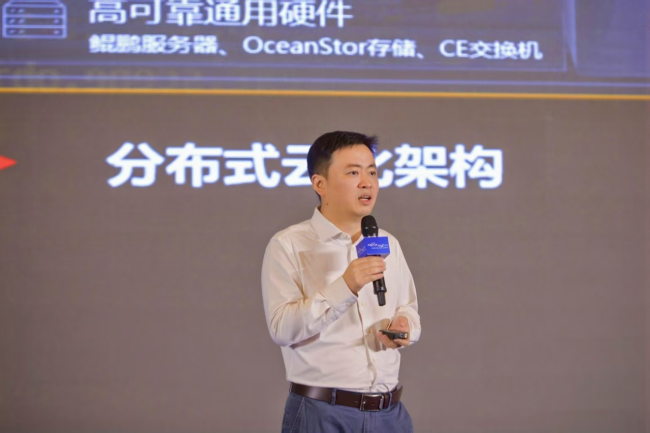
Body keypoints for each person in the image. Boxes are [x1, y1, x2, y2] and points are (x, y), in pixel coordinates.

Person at [261, 131, 421, 432]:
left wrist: (405, 326)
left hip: (390, 415)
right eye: (353, 173)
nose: (367, 183)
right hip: (322, 413)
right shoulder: (289, 244)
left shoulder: (388, 242)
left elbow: (408, 308)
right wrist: (345, 286)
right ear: (319, 184)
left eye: (372, 172)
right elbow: (282, 328)